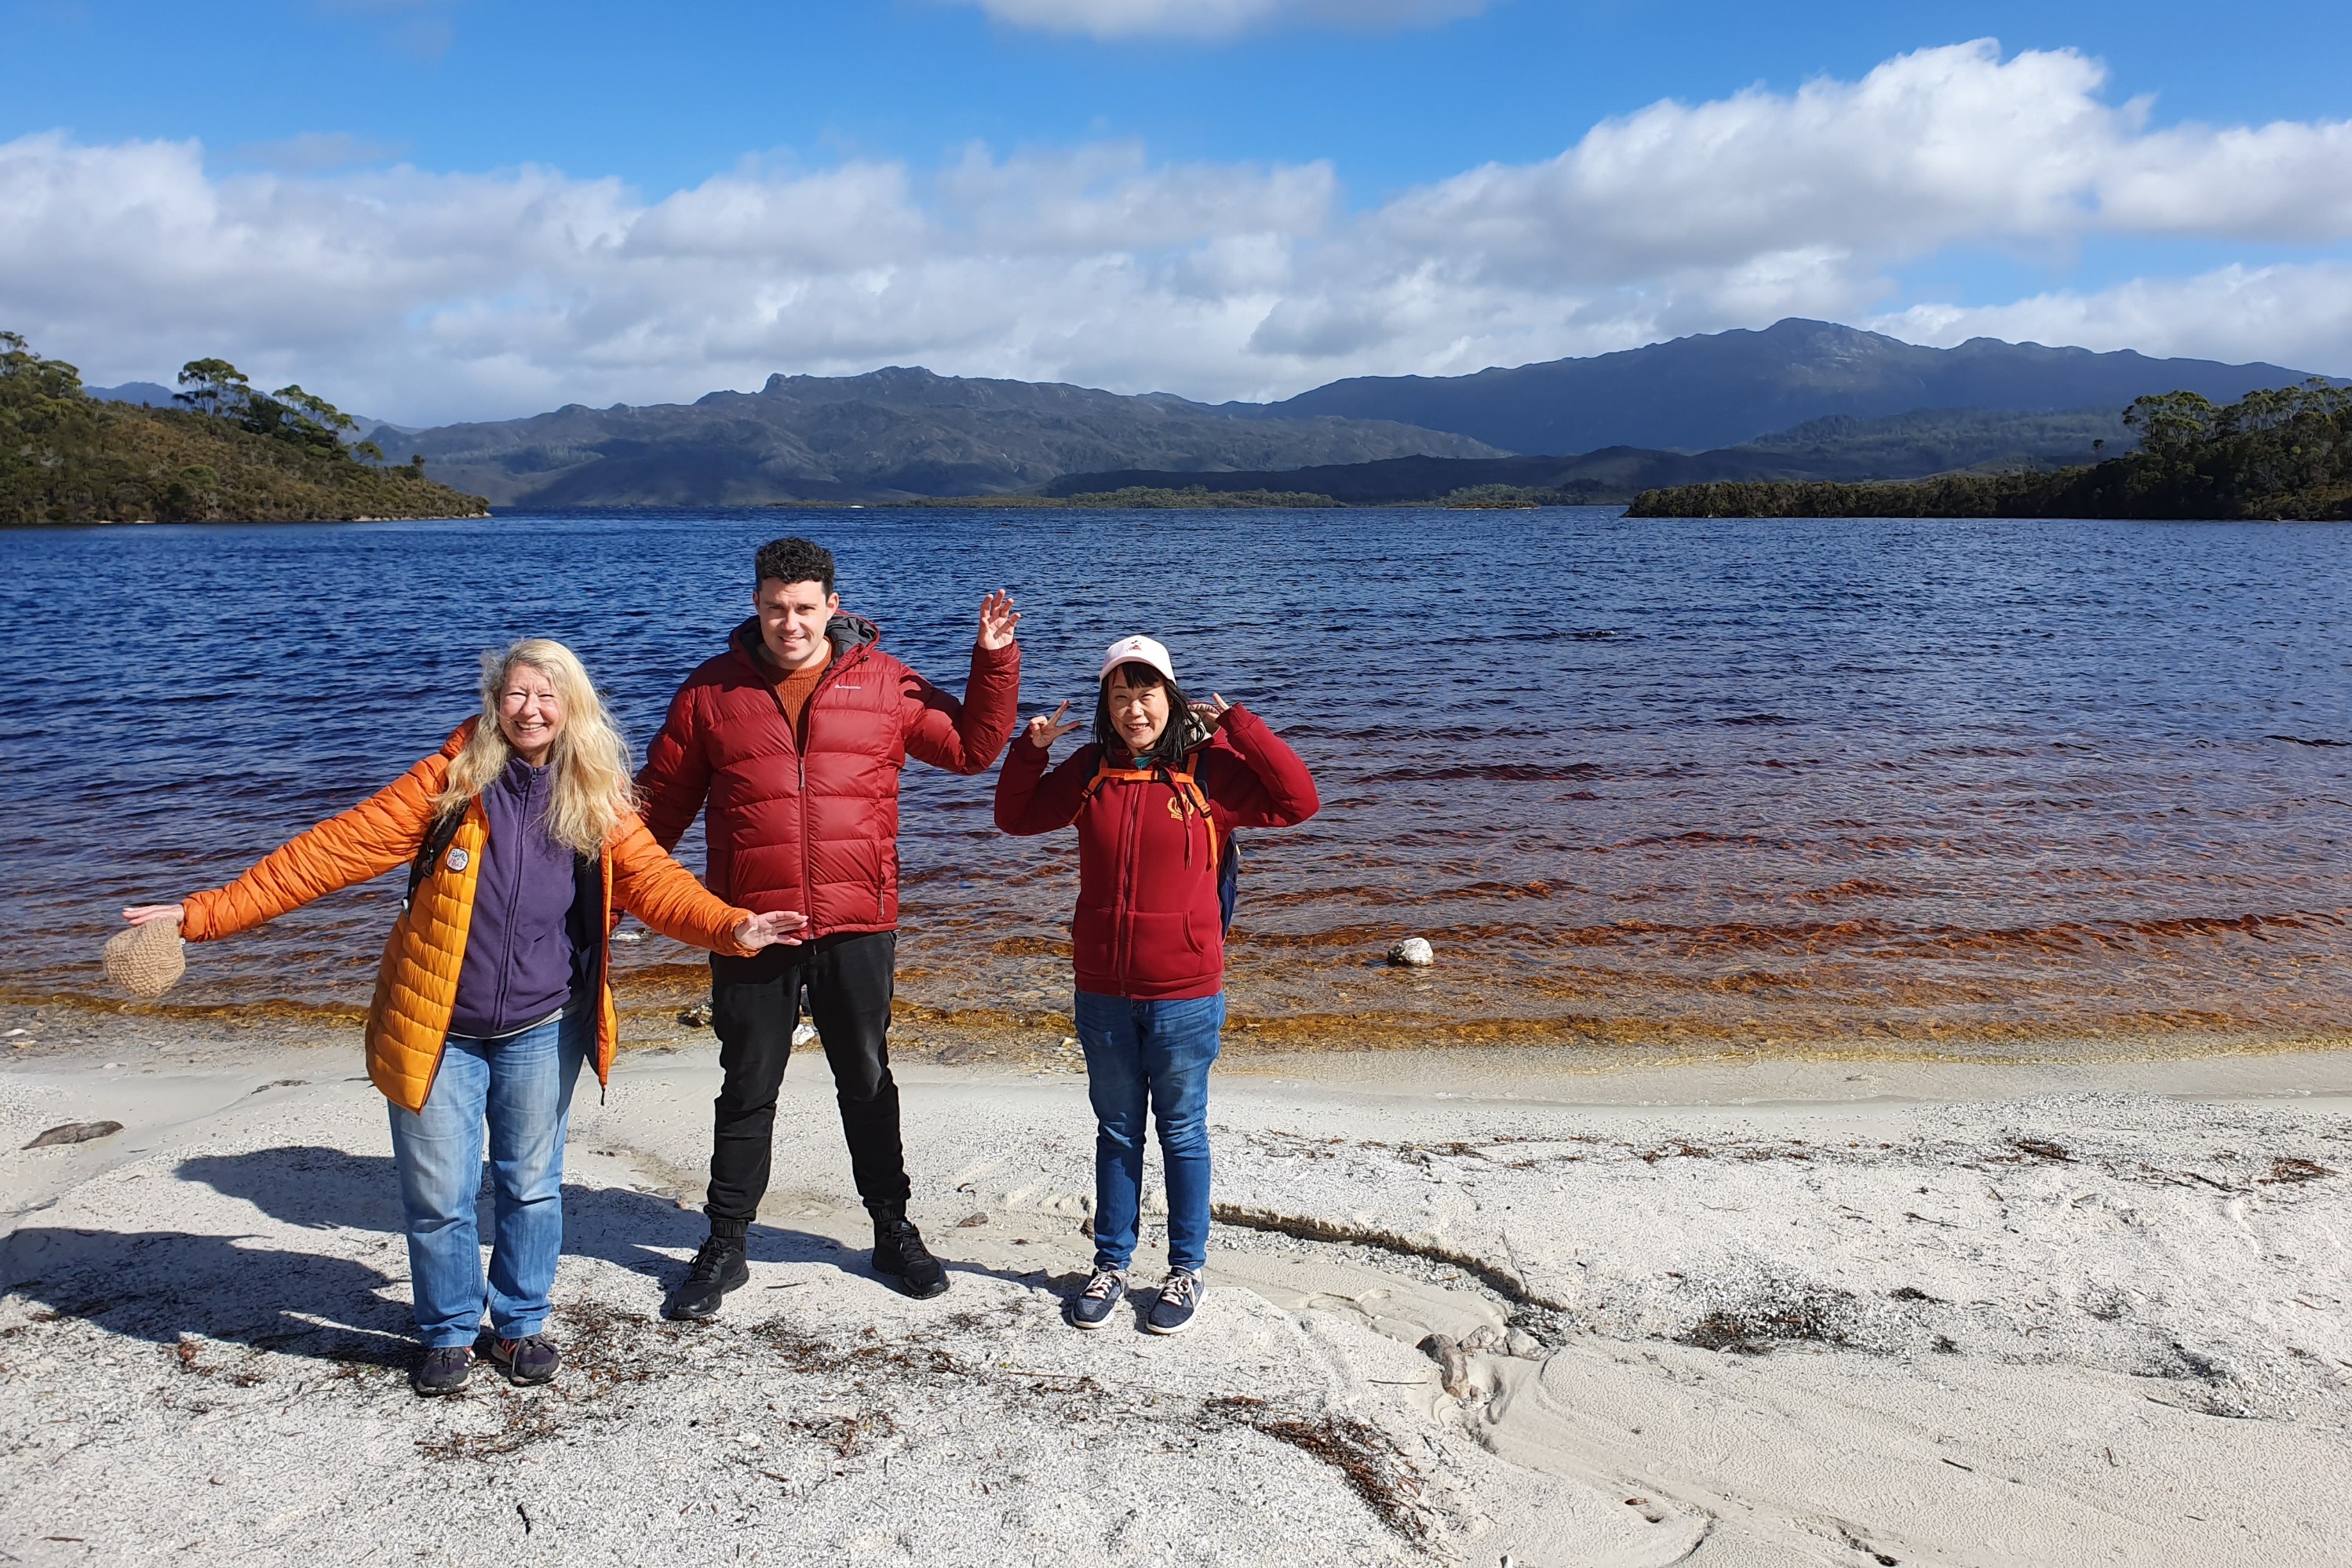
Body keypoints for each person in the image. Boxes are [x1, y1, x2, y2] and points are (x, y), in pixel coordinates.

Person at [120, 639, 803, 1396]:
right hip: (438, 1023)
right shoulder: (448, 784)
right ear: (494, 701)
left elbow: (656, 884)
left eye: (548, 696)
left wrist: (729, 927)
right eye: (516, 694)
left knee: (531, 1185)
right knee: (440, 1193)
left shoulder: (596, 796)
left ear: (572, 707)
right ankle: (447, 1332)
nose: (531, 709)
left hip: (545, 1024)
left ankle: (518, 1326)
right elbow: (327, 854)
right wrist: (198, 915)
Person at [636, 537, 1021, 1318]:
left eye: (804, 608)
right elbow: (659, 811)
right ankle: (725, 1243)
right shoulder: (710, 694)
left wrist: (993, 664)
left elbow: (974, 750)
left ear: (832, 607)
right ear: (756, 604)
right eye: (775, 607)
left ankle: (892, 1228)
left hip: (858, 919)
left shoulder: (883, 684)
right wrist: (606, 903)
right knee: (748, 1084)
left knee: (868, 1081)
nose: (790, 623)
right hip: (752, 925)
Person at [994, 635, 1318, 1334]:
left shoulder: (1211, 773)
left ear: (1169, 700)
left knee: (1181, 1131)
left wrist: (1243, 727)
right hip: (1103, 989)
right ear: (1107, 704)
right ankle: (1110, 1264)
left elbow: (1299, 802)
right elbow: (1014, 818)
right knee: (1115, 1129)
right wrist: (1031, 750)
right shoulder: (1088, 770)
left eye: (1146, 693)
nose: (1133, 707)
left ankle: (1184, 1270)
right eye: (1119, 693)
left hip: (1184, 990)